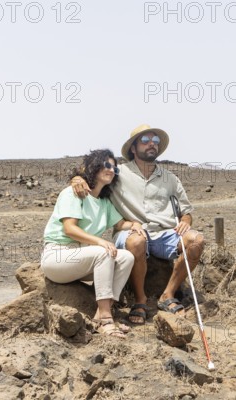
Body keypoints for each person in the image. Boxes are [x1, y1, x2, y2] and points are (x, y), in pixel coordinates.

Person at [72, 124, 205, 324]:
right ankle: (140, 300)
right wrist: (76, 179)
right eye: (145, 140)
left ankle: (167, 295)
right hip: (131, 232)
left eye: (156, 140)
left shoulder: (170, 179)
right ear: (133, 148)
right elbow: (92, 174)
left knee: (197, 241)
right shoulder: (118, 173)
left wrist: (186, 221)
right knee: (136, 242)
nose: (152, 144)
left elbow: (186, 212)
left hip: (164, 234)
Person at [41, 149, 141, 338]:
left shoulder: (103, 202)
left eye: (115, 168)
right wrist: (100, 242)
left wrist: (134, 224)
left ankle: (103, 313)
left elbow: (120, 224)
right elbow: (69, 229)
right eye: (107, 165)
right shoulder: (73, 193)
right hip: (58, 256)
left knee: (126, 257)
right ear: (94, 166)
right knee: (104, 252)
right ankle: (105, 319)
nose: (111, 170)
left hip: (84, 257)